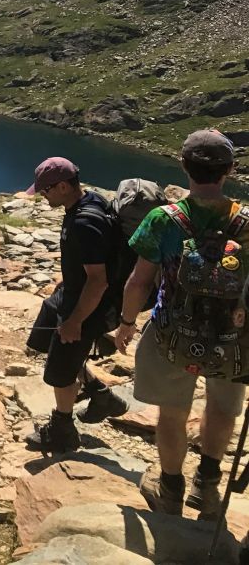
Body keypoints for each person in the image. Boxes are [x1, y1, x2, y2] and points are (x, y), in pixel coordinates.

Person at [115, 129, 247, 518]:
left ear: (184, 166)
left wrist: (125, 323)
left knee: (172, 411)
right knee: (223, 407)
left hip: (174, 332)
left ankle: (171, 487)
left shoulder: (164, 219)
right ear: (230, 169)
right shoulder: (246, 221)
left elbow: (139, 280)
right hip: (233, 336)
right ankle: (206, 485)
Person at [22, 157, 128, 452]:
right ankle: (99, 393)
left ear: (65, 186)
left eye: (46, 190)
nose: (43, 196)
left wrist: (75, 321)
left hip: (87, 304)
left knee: (60, 369)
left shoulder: (84, 222)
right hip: (73, 293)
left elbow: (97, 281)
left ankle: (62, 431)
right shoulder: (88, 201)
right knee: (47, 334)